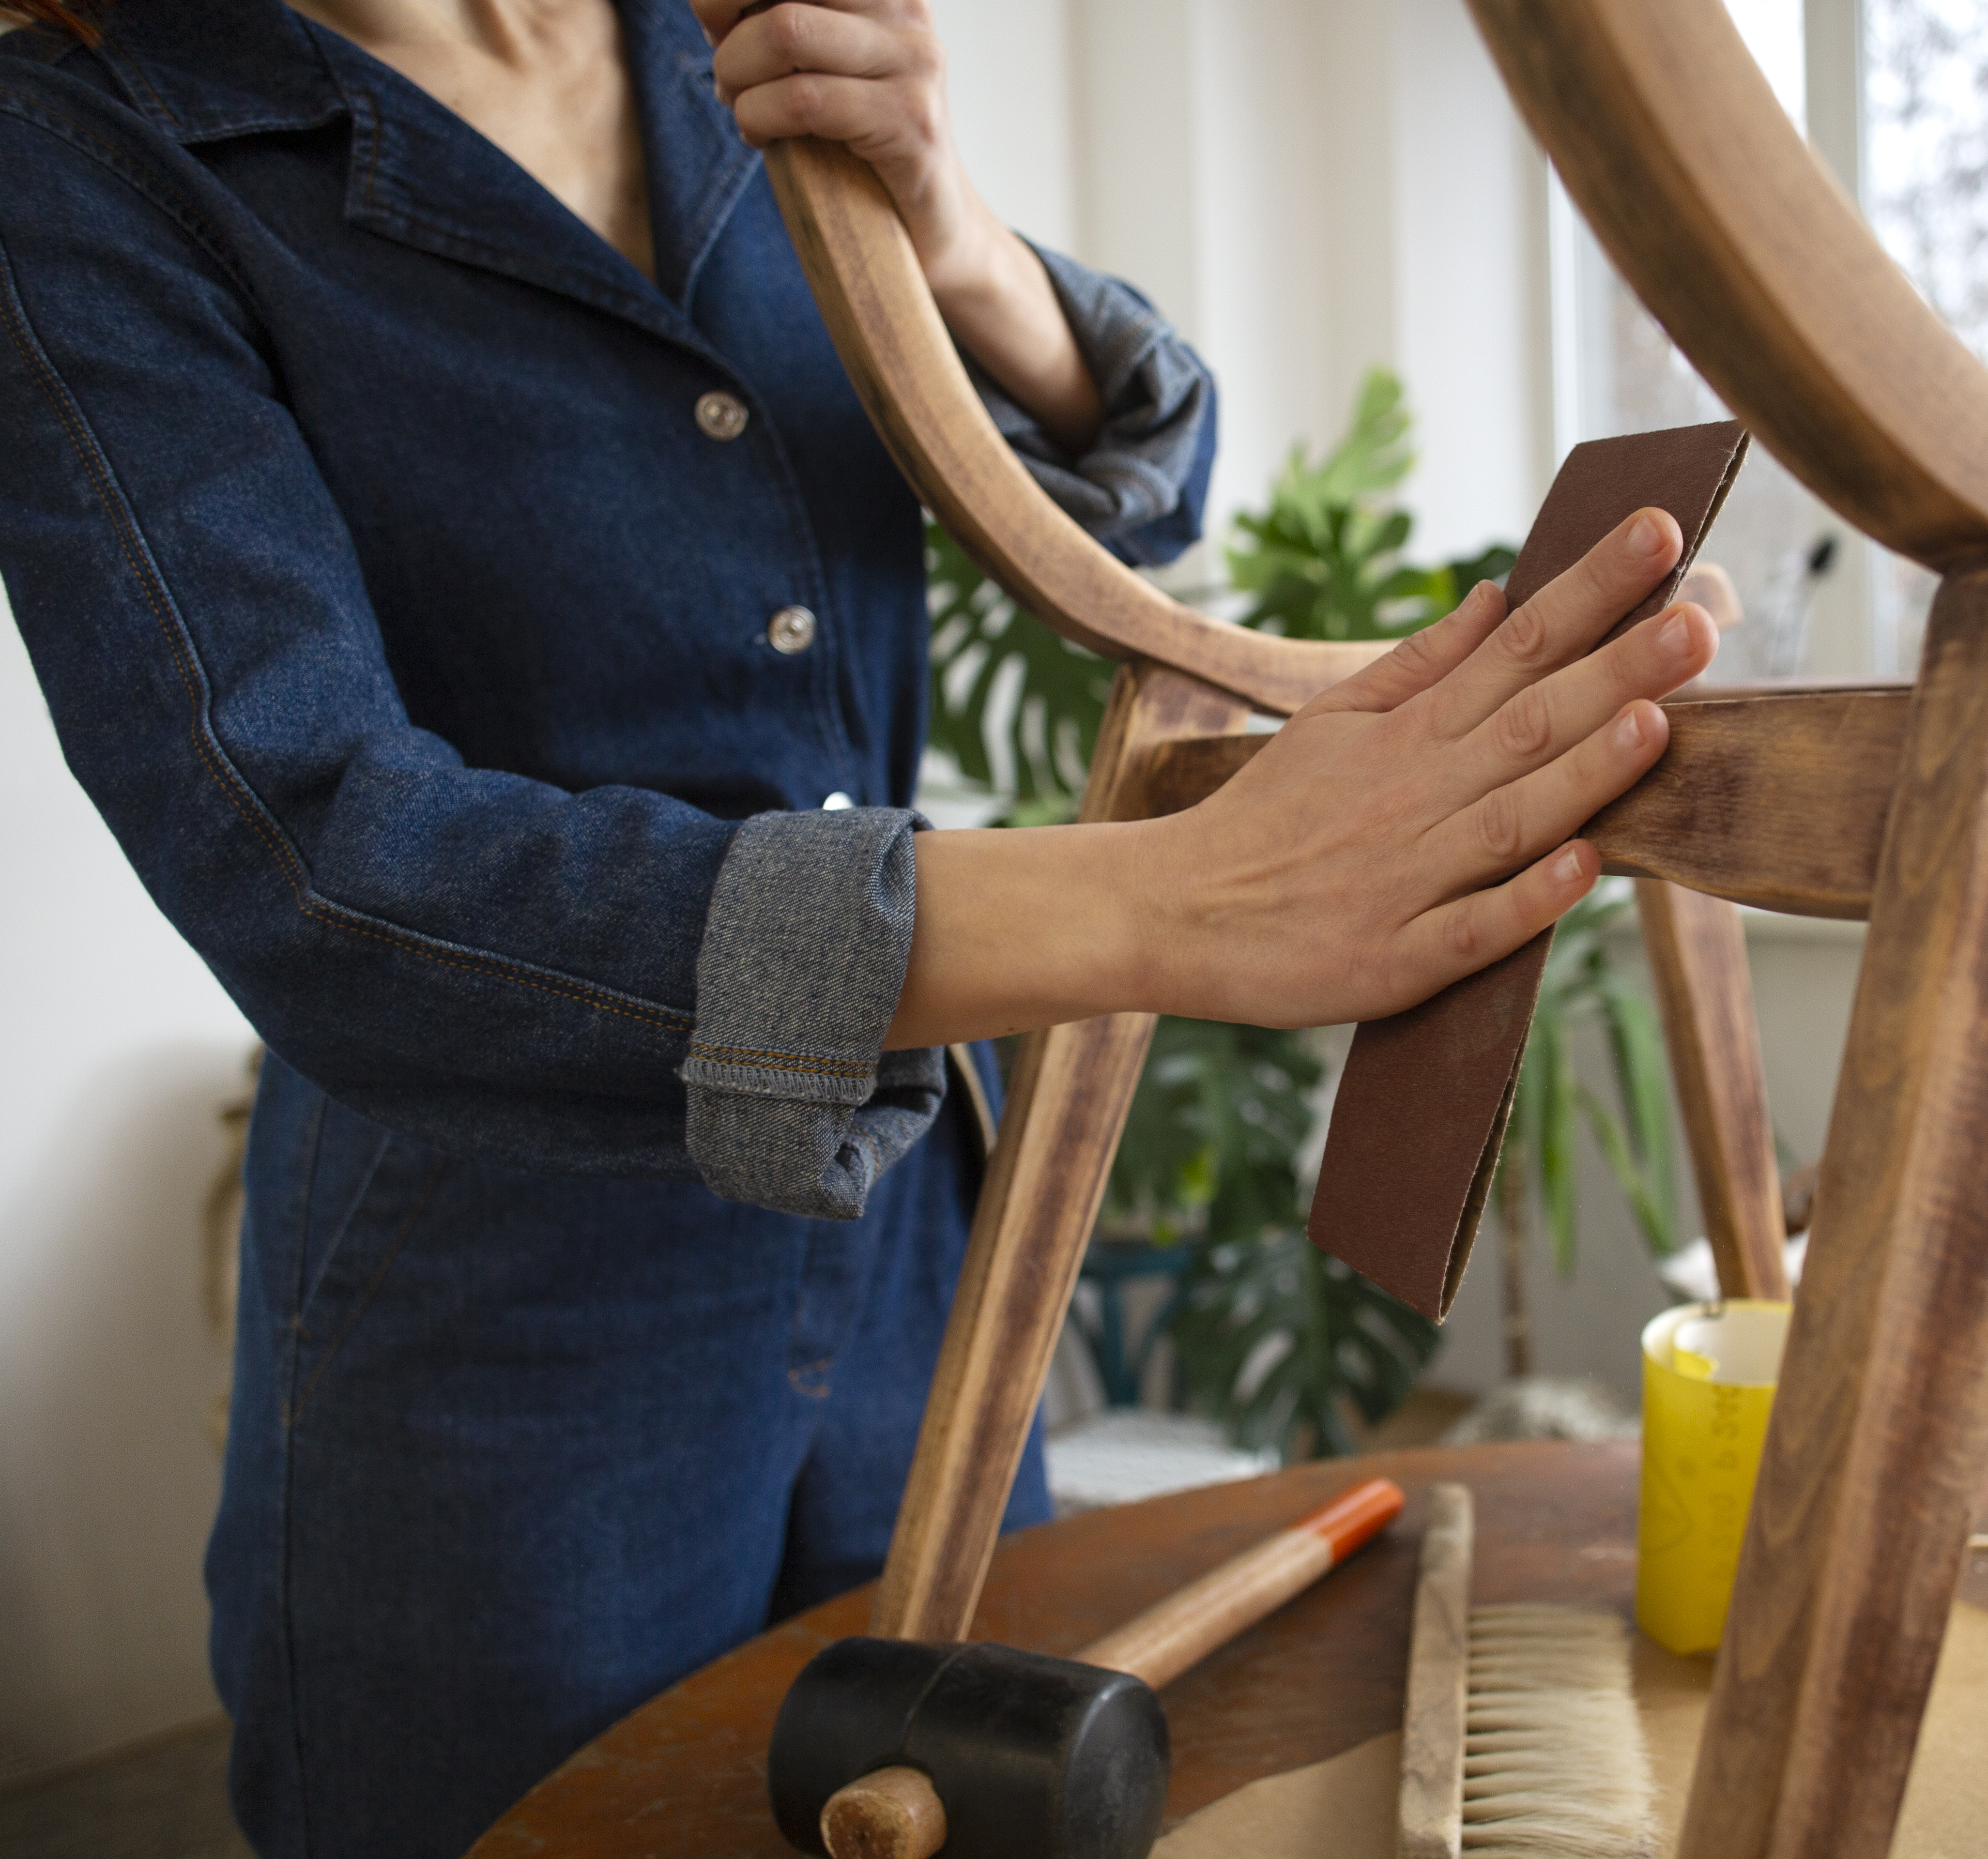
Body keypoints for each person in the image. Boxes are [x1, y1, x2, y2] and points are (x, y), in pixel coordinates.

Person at [0, 1, 1713, 1854]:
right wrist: (1166, 903)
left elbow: (1145, 473)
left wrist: (953, 233)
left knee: (985, 1810)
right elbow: (322, 869)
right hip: (505, 1326)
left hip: (907, 1264)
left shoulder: (731, 46)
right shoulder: (92, 146)